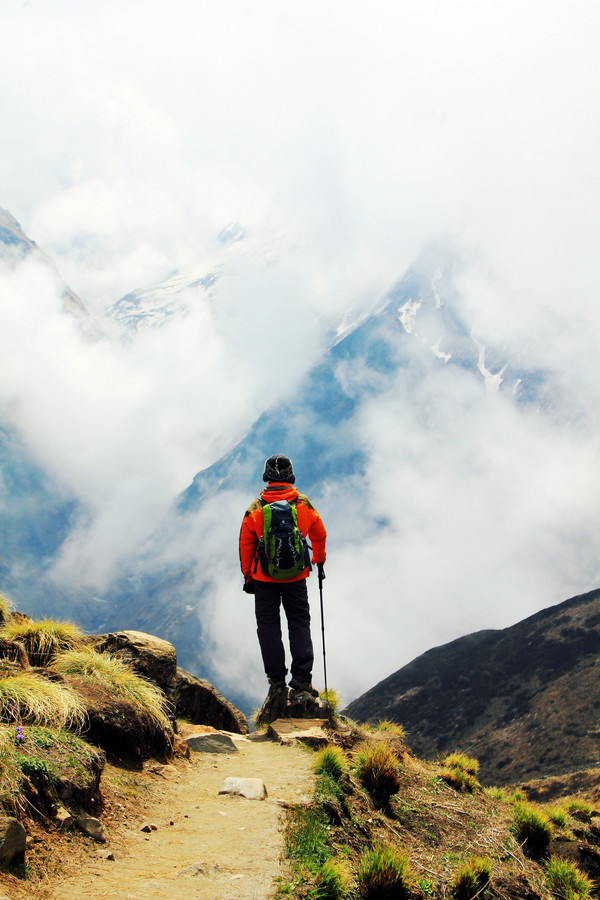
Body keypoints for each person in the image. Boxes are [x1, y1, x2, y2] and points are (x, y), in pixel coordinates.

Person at [239, 454, 327, 697]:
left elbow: (246, 545)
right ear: (291, 475)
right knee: (299, 623)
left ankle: (276, 681)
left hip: (263, 579)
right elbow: (319, 534)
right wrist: (319, 561)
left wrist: (249, 576)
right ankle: (301, 678)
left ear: (266, 477)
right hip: (296, 577)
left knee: (268, 626)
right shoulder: (303, 504)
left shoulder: (256, 509)